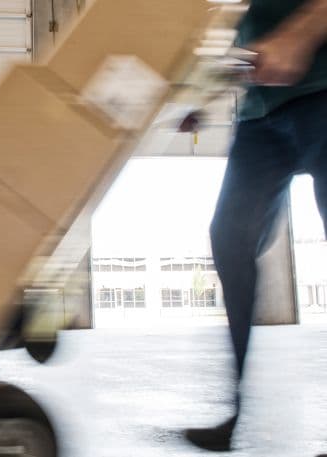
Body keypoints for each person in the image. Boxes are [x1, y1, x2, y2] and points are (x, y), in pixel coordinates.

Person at [185, 0, 327, 451]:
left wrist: (304, 30)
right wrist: (202, 94)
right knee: (230, 237)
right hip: (261, 114)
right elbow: (249, 29)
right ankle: (236, 410)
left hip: (323, 93)